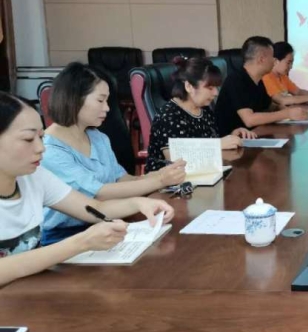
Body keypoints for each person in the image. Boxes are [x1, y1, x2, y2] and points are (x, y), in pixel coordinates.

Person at [0, 92, 173, 287]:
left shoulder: (34, 177)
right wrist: (81, 243)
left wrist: (139, 203)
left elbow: (94, 208)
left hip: (31, 290)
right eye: (28, 139)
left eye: (41, 137)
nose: (41, 148)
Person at [41, 63, 186, 245]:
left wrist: (159, 174)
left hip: (107, 222)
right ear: (75, 98)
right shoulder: (49, 150)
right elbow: (98, 194)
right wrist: (159, 181)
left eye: (108, 101)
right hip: (64, 235)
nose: (107, 108)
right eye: (100, 100)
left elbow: (120, 179)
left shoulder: (97, 137)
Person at [145, 57, 257, 172]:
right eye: (210, 88)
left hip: (204, 173)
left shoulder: (204, 110)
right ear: (189, 87)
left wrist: (232, 136)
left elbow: (209, 142)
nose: (216, 92)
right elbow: (175, 159)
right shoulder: (169, 116)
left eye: (216, 87)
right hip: (170, 180)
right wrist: (218, 144)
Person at [215, 36, 308, 135]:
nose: (274, 61)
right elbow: (250, 120)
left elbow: (270, 106)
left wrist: (284, 109)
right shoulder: (236, 80)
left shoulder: (258, 81)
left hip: (255, 134)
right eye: (272, 57)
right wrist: (287, 114)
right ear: (261, 59)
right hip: (234, 140)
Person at [263, 42, 308, 106]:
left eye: (292, 63)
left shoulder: (283, 76)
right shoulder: (266, 76)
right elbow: (282, 100)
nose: (291, 67)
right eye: (288, 63)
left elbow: (298, 92)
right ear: (276, 61)